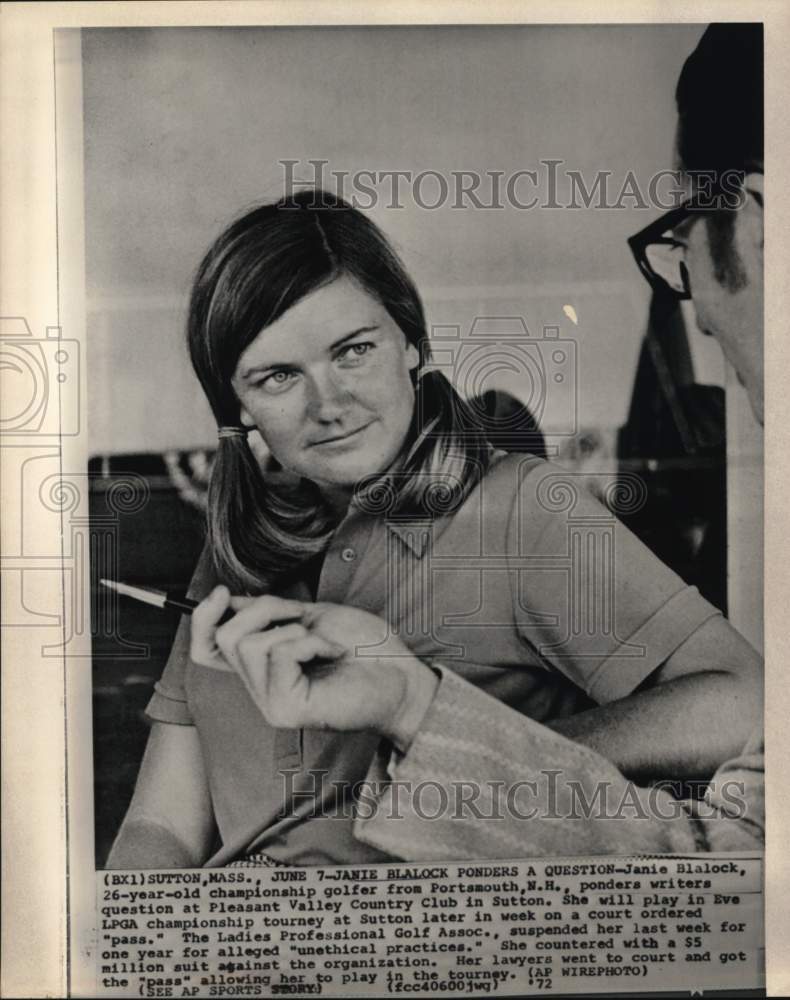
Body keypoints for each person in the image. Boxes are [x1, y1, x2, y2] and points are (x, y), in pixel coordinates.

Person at [108, 167, 761, 867]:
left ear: (411, 345)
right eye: (279, 376)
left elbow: (745, 702)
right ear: (238, 407)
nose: (329, 404)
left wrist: (486, 750)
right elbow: (163, 826)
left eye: (354, 352)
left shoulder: (520, 508)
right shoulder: (231, 559)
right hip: (247, 955)